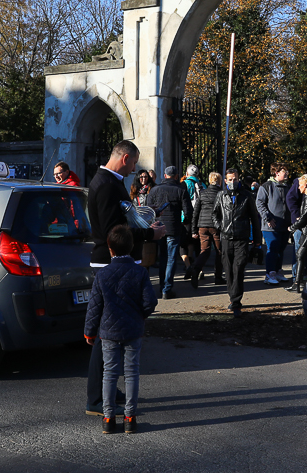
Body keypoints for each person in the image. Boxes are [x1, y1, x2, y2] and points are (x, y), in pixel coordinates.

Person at [84, 141, 166, 417]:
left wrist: (144, 226)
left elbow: (122, 222)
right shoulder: (107, 184)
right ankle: (96, 398)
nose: (135, 169)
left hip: (113, 261)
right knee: (106, 334)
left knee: (112, 330)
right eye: (134, 163)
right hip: (110, 262)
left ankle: (106, 390)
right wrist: (148, 235)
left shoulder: (109, 180)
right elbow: (112, 231)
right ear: (125, 158)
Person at [84, 225, 158, 435]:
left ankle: (108, 418)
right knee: (132, 372)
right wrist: (139, 316)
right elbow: (150, 302)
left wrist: (90, 331)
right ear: (132, 246)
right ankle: (130, 418)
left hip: (108, 331)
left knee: (110, 373)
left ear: (109, 248)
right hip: (133, 329)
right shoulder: (140, 272)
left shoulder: (103, 274)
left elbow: (94, 306)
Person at [212, 169, 262, 317]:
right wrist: (220, 227)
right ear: (225, 181)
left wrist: (257, 241)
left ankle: (236, 301)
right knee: (228, 269)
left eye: (235, 179)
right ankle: (232, 295)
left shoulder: (246, 196)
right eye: (229, 179)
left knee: (238, 268)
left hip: (242, 238)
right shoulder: (221, 196)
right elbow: (214, 214)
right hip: (226, 238)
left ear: (238, 179)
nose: (232, 182)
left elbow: (254, 218)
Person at [145, 165, 192, 300]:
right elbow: (188, 211)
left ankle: (162, 286)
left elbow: (148, 210)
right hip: (174, 227)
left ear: (164, 176)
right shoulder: (181, 190)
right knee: (171, 258)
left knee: (163, 258)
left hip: (158, 227)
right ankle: (167, 288)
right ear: (176, 176)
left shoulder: (154, 190)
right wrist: (185, 222)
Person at [256, 163, 292, 285]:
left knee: (281, 249)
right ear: (276, 173)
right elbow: (260, 203)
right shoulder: (266, 186)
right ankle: (269, 274)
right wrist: (268, 218)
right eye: (284, 171)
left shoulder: (287, 187)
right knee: (273, 248)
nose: (286, 174)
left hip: (284, 224)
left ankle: (277, 271)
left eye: (287, 171)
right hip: (270, 226)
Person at [189, 172, 224, 287]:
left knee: (205, 251)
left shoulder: (202, 194)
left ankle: (195, 269)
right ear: (219, 181)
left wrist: (194, 229)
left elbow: (196, 212)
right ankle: (218, 276)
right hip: (216, 226)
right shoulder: (221, 194)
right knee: (219, 251)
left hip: (202, 225)